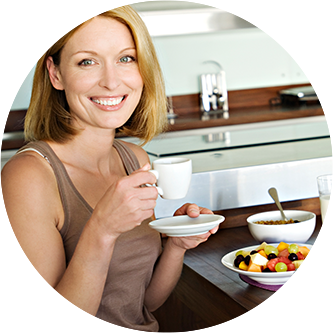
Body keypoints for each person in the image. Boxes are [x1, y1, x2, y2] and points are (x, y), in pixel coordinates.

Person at [0, 1, 218, 332]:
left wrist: (176, 245)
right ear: (55, 73)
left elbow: (141, 304)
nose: (111, 82)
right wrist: (101, 229)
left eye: (125, 58)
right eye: (87, 62)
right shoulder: (28, 177)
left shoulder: (135, 161)